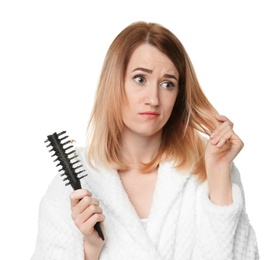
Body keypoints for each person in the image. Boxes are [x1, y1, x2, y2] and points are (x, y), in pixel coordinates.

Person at [32, 21, 259, 260]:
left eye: (167, 84)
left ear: (178, 95)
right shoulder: (71, 186)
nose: (153, 99)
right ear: (115, 83)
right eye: (140, 79)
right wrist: (90, 251)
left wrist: (219, 173)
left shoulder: (208, 170)